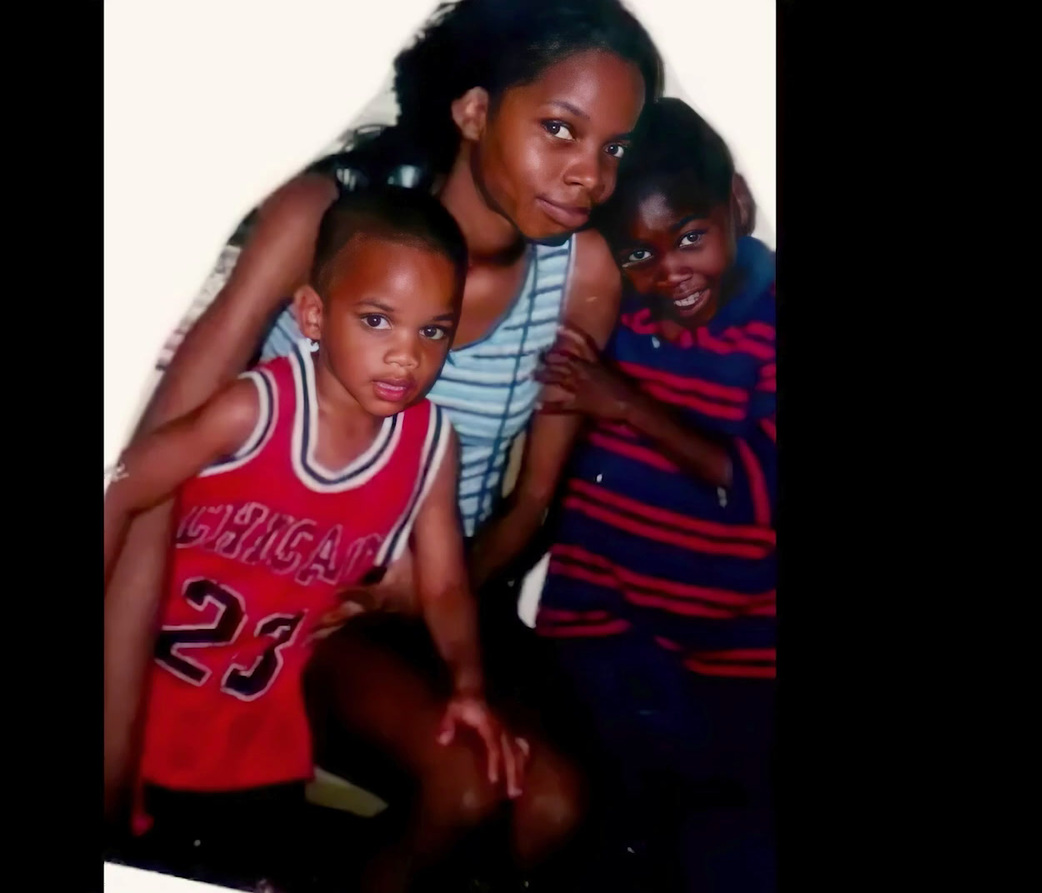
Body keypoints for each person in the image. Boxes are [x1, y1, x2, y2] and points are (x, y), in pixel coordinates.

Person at [104, 1, 670, 887]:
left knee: (560, 803)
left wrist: (429, 590)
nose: (589, 175)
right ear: (476, 112)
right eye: (559, 130)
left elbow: (529, 504)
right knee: (470, 789)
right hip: (266, 594)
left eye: (614, 148)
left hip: (429, 598)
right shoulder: (328, 220)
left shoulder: (581, 273)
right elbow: (152, 470)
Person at [103, 186, 521, 891]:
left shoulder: (427, 445)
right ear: (314, 315)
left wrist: (469, 684)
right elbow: (122, 486)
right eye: (378, 321)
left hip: (261, 733)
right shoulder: (254, 409)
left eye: (432, 331)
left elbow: (445, 582)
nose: (405, 356)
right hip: (151, 703)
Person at [531, 97, 776, 892]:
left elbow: (762, 491)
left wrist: (625, 401)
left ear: (735, 203)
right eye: (638, 255)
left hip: (741, 662)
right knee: (604, 846)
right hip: (601, 635)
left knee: (731, 859)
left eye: (691, 238)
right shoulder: (620, 318)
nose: (669, 272)